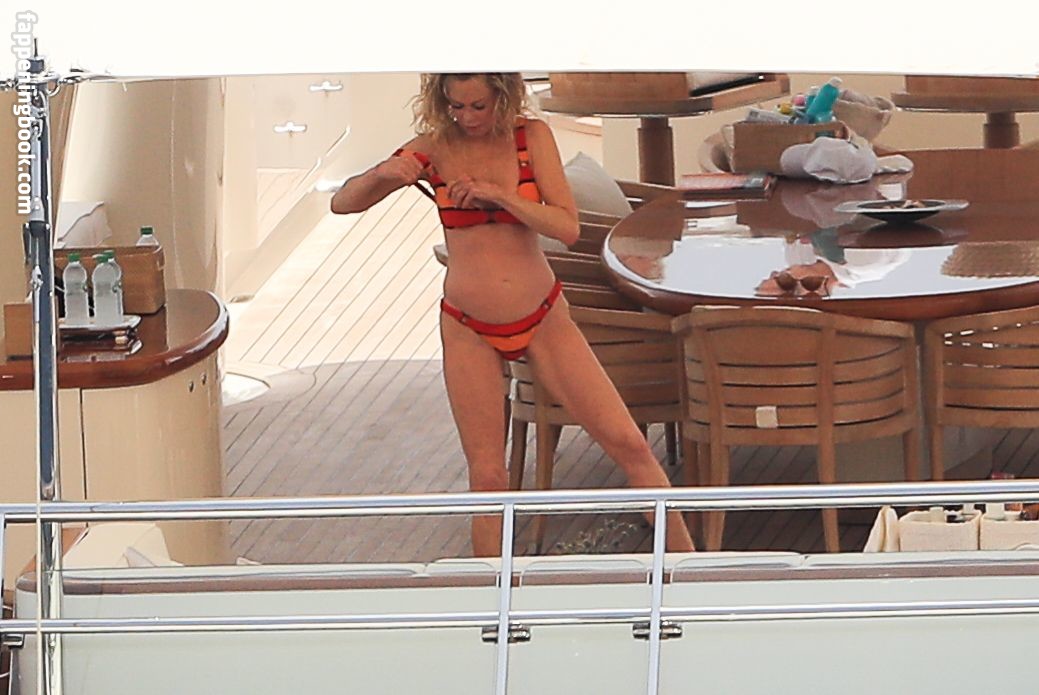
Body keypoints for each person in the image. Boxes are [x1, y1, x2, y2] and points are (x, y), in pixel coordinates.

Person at [331, 73, 694, 556]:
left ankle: (690, 577)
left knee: (629, 445)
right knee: (487, 477)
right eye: (456, 106)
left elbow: (566, 226)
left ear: (502, 97)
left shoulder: (531, 137)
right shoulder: (433, 148)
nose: (467, 117)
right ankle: (490, 596)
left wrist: (500, 196)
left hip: (542, 315)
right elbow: (342, 203)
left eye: (478, 106)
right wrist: (381, 174)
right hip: (467, 324)